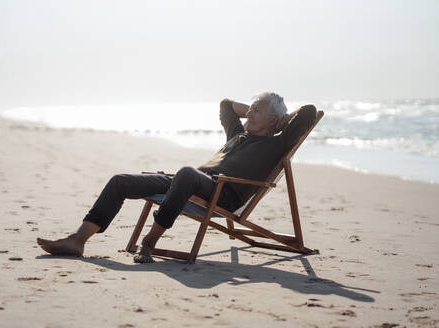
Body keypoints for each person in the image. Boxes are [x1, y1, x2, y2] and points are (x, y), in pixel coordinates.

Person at [37, 92, 316, 263]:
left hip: (223, 193)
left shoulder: (277, 144)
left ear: (274, 121)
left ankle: (149, 242)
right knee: (120, 180)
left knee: (185, 173)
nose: (250, 114)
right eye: (251, 109)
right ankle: (78, 240)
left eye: (258, 111)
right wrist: (256, 110)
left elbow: (309, 112)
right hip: (189, 182)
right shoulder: (237, 134)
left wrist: (280, 118)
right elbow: (226, 105)